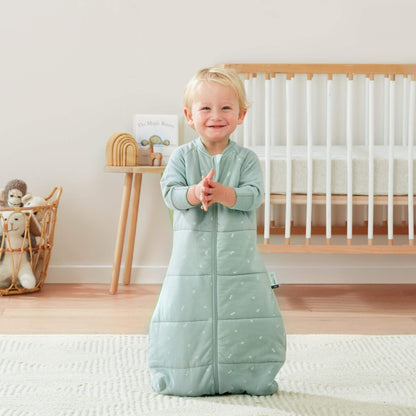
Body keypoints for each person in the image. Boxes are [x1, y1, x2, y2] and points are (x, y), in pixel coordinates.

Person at [147, 67, 286, 397]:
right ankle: (181, 375)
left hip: (238, 261)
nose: (216, 115)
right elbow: (170, 193)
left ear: (241, 115)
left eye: (226, 108)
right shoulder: (181, 157)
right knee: (183, 315)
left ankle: (250, 373)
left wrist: (225, 194)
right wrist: (194, 193)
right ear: (189, 116)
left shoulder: (246, 159)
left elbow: (255, 195)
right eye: (205, 108)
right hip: (190, 263)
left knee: (250, 314)